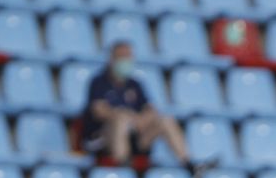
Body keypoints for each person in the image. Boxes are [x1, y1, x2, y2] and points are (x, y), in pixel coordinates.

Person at [81, 41, 202, 171]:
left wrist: (140, 120)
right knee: (120, 119)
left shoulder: (135, 84)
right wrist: (121, 114)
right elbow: (98, 110)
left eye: (129, 57)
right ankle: (123, 165)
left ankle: (188, 164)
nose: (127, 61)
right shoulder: (99, 82)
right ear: (112, 59)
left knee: (166, 120)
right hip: (104, 139)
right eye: (123, 57)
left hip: (134, 136)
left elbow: (150, 109)